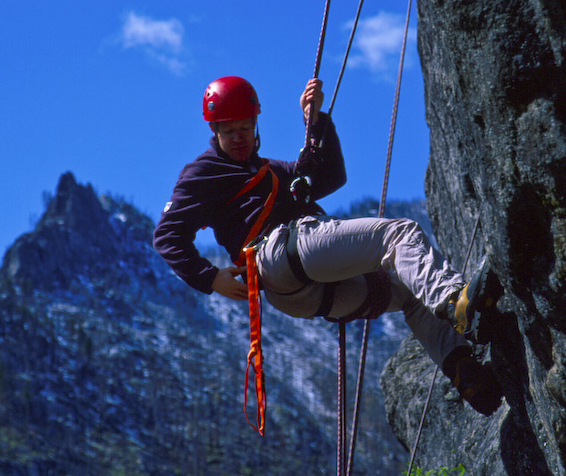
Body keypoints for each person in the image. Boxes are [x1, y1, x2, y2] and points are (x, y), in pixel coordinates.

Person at [153, 75, 503, 415]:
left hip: (299, 294)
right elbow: (168, 234)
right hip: (280, 254)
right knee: (397, 234)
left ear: (255, 122)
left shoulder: (272, 171)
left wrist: (316, 120)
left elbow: (333, 176)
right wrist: (210, 278)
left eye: (244, 127)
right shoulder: (202, 173)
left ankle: (465, 372)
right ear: (213, 132)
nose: (238, 137)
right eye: (228, 131)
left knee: (411, 294)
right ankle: (455, 301)